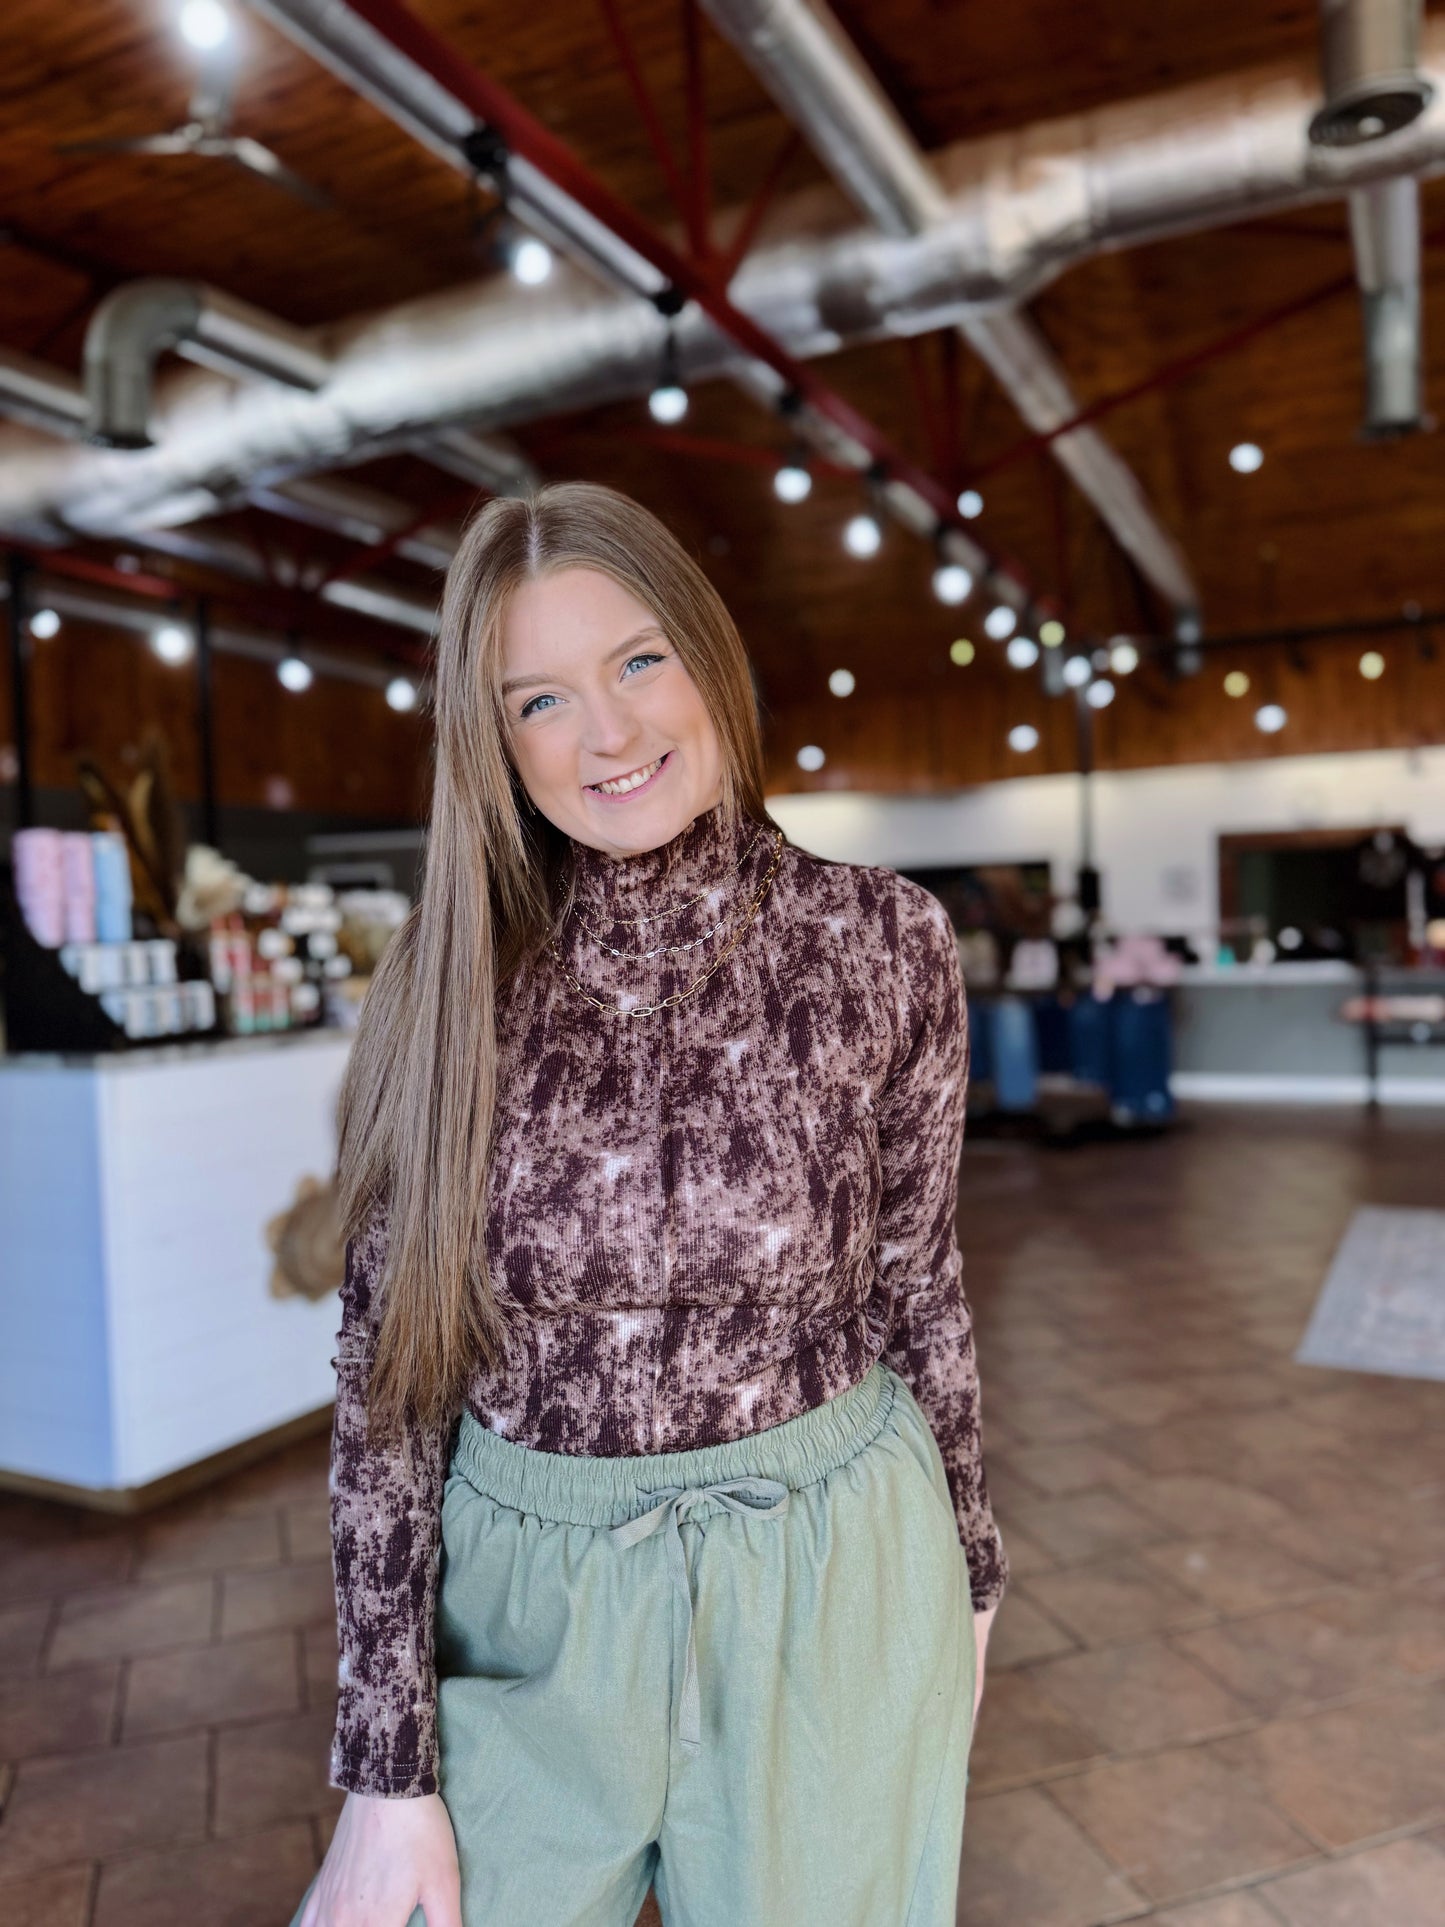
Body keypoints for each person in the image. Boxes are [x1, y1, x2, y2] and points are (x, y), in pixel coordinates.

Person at [292, 482, 1009, 1927]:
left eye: (634, 662)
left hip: (835, 1575)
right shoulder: (445, 975)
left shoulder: (880, 938)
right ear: (491, 743)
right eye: (539, 701)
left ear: (705, 653)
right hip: (527, 1606)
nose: (607, 735)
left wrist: (970, 1567)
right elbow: (388, 1381)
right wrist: (385, 1771)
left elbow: (916, 1284)